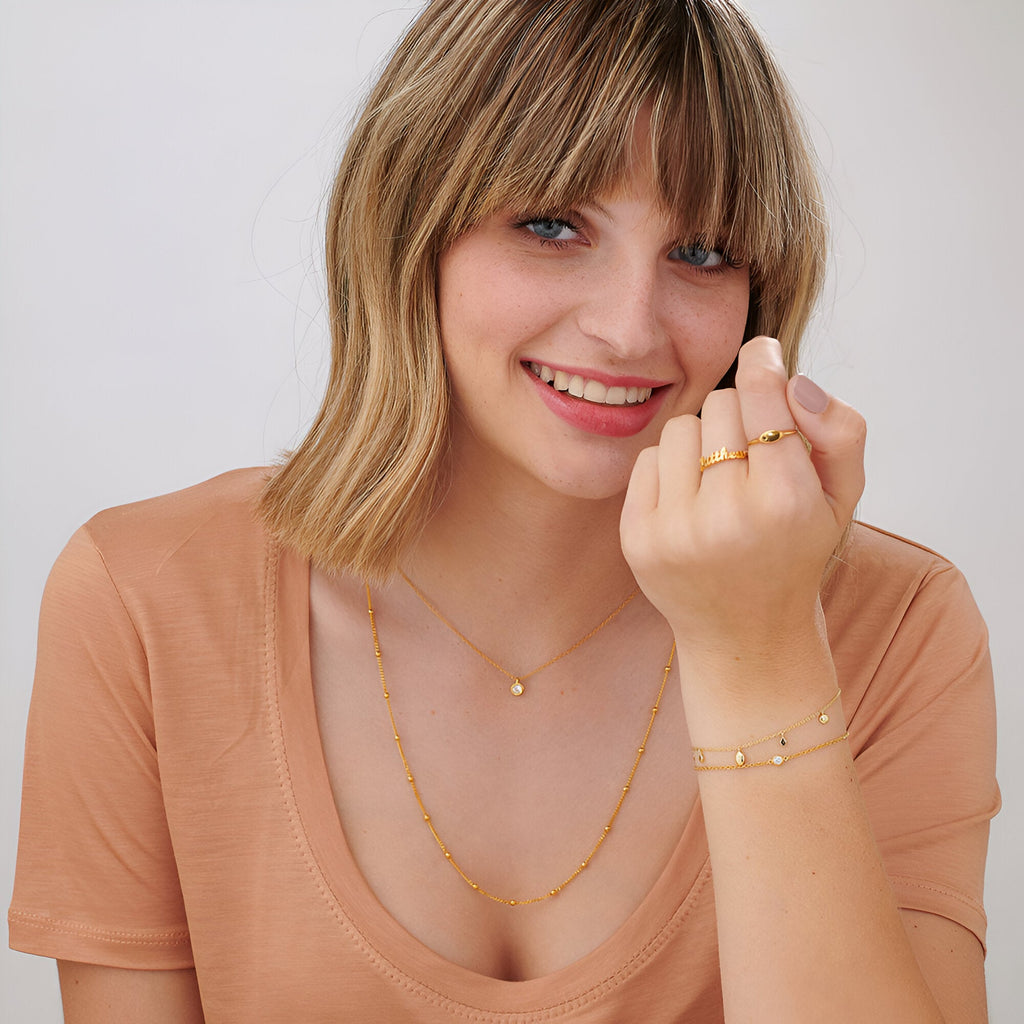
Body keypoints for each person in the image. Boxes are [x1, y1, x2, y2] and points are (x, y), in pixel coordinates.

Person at [8, 0, 998, 1021]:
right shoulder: (146, 600)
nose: (627, 327)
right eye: (551, 224)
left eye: (702, 251)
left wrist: (762, 656)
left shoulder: (896, 627)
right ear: (407, 229)